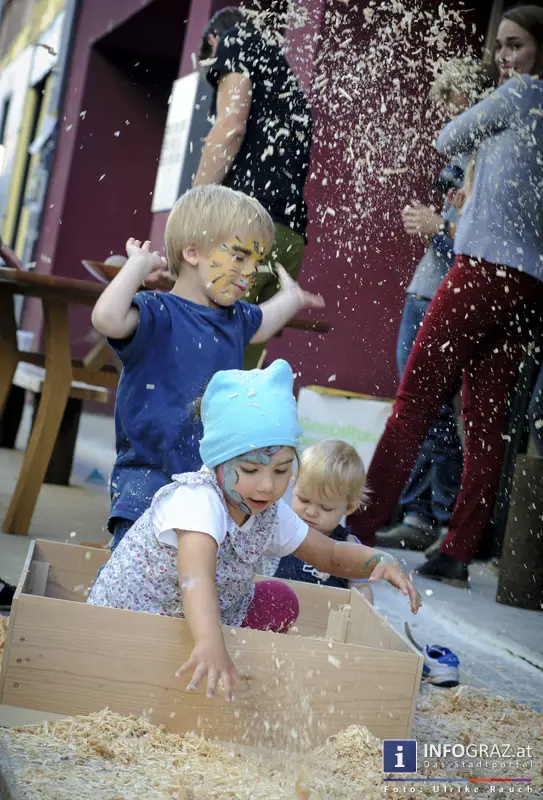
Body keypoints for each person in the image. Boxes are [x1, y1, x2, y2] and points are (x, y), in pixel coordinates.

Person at [348, 5, 543, 587]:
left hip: (481, 269)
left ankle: (359, 528)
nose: (504, 59)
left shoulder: (523, 95)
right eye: (501, 48)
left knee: (415, 398)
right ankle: (457, 551)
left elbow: (448, 135)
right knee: (486, 420)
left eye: (515, 45)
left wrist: (497, 102)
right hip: (529, 283)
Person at [88, 360, 421, 700]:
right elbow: (195, 579)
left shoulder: (267, 512)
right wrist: (209, 641)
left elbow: (331, 554)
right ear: (218, 461)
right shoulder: (198, 502)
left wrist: (376, 560)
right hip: (141, 617)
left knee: (281, 600)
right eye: (250, 469)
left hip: (212, 610)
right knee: (205, 630)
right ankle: (206, 651)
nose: (267, 486)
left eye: (281, 470)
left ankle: (224, 651)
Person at [91, 185, 324, 552]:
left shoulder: (234, 318)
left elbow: (264, 322)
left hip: (209, 479)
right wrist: (136, 267)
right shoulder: (158, 312)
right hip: (149, 473)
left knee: (195, 573)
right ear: (192, 252)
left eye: (256, 261)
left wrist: (291, 298)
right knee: (134, 568)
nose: (250, 272)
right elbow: (106, 317)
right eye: (239, 256)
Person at [377, 58, 492, 554]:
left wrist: (439, 228)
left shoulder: (494, 152)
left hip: (453, 290)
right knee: (425, 402)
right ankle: (424, 512)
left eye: (453, 102)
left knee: (432, 405)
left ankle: (437, 515)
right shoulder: (465, 152)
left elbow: (484, 239)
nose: (447, 115)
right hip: (427, 287)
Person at [196, 7, 313, 369]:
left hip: (244, 230)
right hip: (288, 238)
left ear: (214, 42)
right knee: (235, 375)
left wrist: (194, 204)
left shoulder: (236, 40)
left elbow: (230, 127)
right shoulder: (286, 82)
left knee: (201, 362)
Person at [274, 438, 373, 603]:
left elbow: (360, 587)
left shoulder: (349, 545)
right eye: (304, 500)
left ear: (349, 507)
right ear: (293, 485)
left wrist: (361, 613)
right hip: (276, 614)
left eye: (326, 508)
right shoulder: (281, 528)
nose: (311, 512)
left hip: (327, 620)